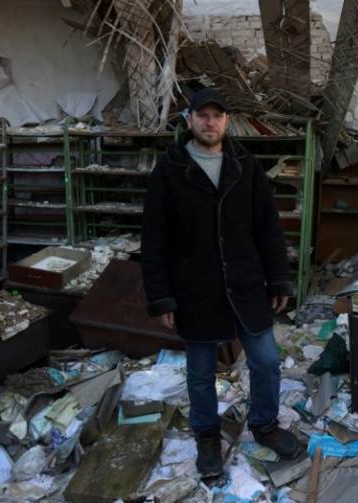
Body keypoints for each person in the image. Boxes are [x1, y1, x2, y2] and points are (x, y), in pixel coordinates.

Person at [141, 88, 303, 477]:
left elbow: (268, 228)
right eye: (202, 115)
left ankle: (264, 425)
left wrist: (279, 280)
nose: (209, 122)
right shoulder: (170, 170)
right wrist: (161, 297)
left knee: (265, 361)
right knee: (200, 372)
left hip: (245, 283)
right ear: (189, 120)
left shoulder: (246, 166)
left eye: (217, 116)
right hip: (194, 288)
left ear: (227, 121)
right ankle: (207, 437)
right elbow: (155, 238)